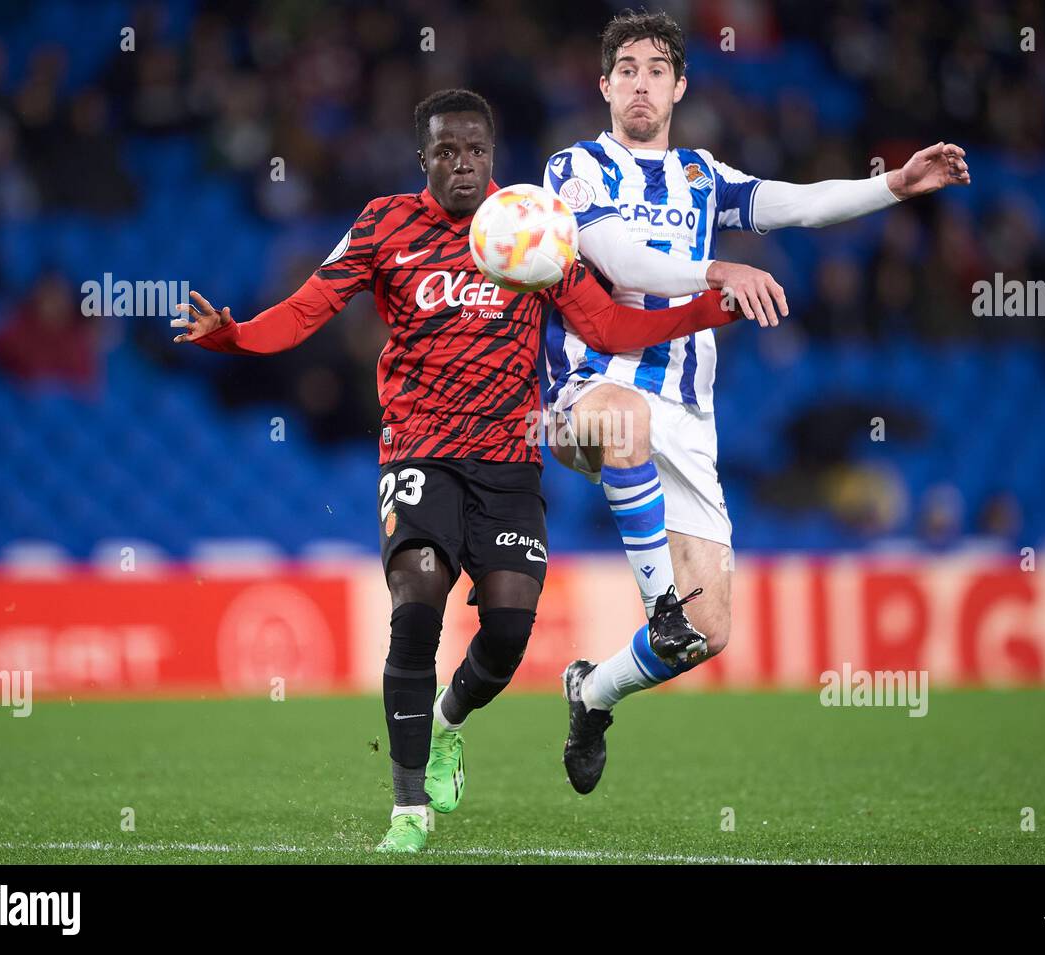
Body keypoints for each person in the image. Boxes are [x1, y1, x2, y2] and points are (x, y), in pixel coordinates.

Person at [172, 88, 755, 853]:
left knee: (509, 632)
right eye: (446, 151)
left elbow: (609, 326)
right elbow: (311, 307)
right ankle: (407, 808)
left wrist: (711, 307)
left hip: (508, 457)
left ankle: (448, 722)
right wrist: (237, 337)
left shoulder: (533, 228)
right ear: (423, 158)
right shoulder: (386, 224)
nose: (463, 164)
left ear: (492, 155)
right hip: (417, 447)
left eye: (476, 150)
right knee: (415, 602)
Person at [544, 11, 970, 794]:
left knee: (707, 635)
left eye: (656, 69)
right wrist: (713, 273)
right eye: (626, 69)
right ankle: (658, 601)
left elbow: (799, 204)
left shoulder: (704, 176)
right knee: (624, 419)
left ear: (679, 85)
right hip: (587, 394)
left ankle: (591, 694)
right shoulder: (574, 168)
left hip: (685, 416)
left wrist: (894, 185)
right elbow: (612, 251)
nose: (641, 82)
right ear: (604, 85)